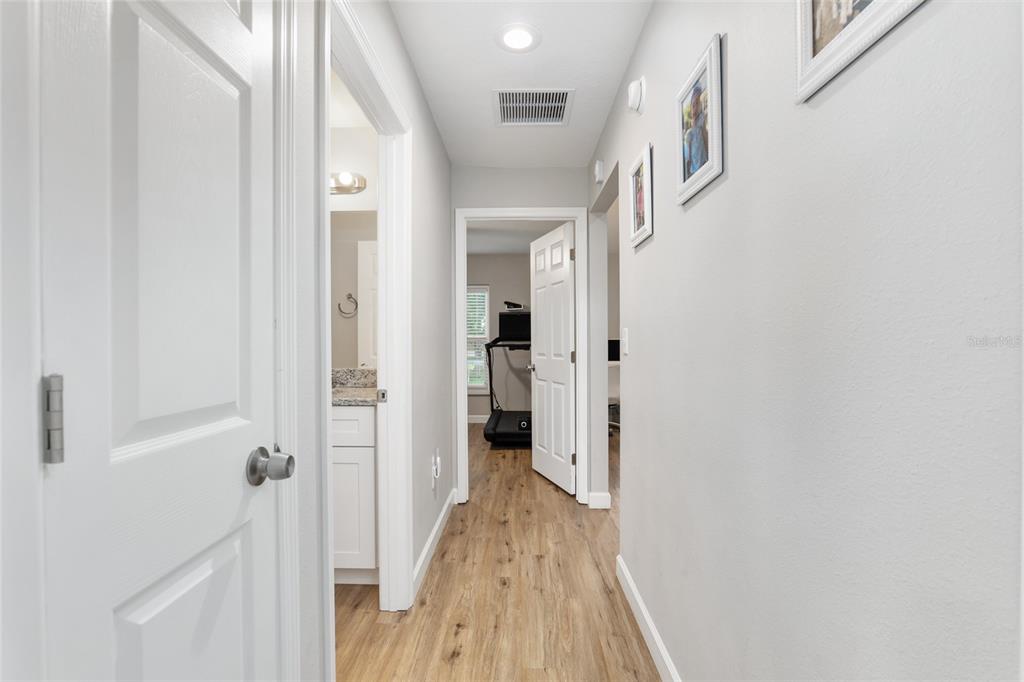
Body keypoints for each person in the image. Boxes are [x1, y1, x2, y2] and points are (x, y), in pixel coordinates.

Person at [684, 84, 708, 179]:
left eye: (697, 104)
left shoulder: (702, 120)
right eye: (693, 105)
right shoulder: (691, 129)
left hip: (702, 161)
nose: (694, 108)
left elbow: (705, 139)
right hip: (694, 166)